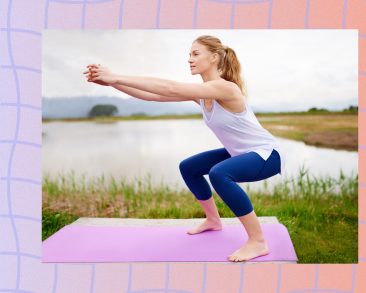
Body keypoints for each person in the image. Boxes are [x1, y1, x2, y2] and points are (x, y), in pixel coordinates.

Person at [83, 35, 285, 262]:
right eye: (189, 54)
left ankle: (258, 242)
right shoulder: (204, 94)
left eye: (195, 54)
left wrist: (115, 75)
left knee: (220, 173)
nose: (189, 59)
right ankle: (213, 220)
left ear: (214, 57)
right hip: (241, 153)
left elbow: (169, 88)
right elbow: (154, 96)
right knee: (189, 167)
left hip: (267, 155)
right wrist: (112, 83)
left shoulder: (225, 88)